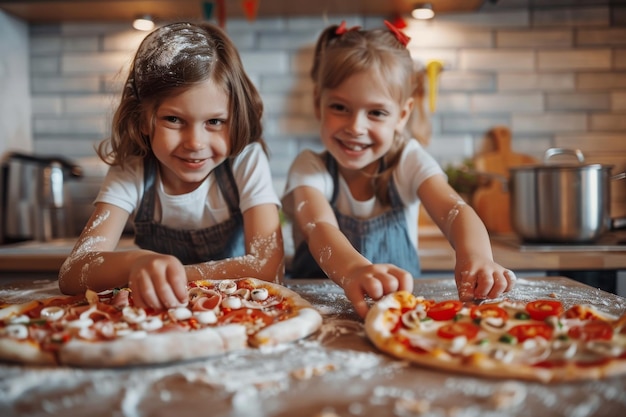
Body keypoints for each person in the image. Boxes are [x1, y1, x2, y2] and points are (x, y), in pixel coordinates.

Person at [281, 21, 515, 318]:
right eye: (340, 108)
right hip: (315, 315)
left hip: (400, 315)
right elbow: (319, 228)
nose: (356, 127)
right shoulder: (310, 167)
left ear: (402, 115)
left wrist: (477, 257)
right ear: (318, 103)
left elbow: (455, 210)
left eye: (376, 113)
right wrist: (354, 270)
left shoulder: (408, 160)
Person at [59, 22, 284, 310]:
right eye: (174, 120)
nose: (195, 143)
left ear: (236, 117)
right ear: (142, 119)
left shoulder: (246, 161)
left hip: (237, 310)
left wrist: (171, 275)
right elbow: (72, 272)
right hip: (156, 315)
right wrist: (138, 262)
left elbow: (268, 270)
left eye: (215, 121)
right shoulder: (133, 169)